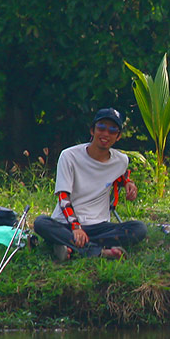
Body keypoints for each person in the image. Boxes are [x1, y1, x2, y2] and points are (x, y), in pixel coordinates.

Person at [34, 108, 147, 260]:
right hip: (67, 223)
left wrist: (129, 184)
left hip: (99, 226)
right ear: (92, 130)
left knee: (139, 229)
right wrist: (76, 227)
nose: (106, 133)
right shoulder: (69, 156)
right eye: (101, 127)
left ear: (118, 136)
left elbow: (119, 176)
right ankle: (98, 251)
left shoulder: (121, 160)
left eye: (113, 130)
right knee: (41, 223)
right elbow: (63, 196)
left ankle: (70, 247)